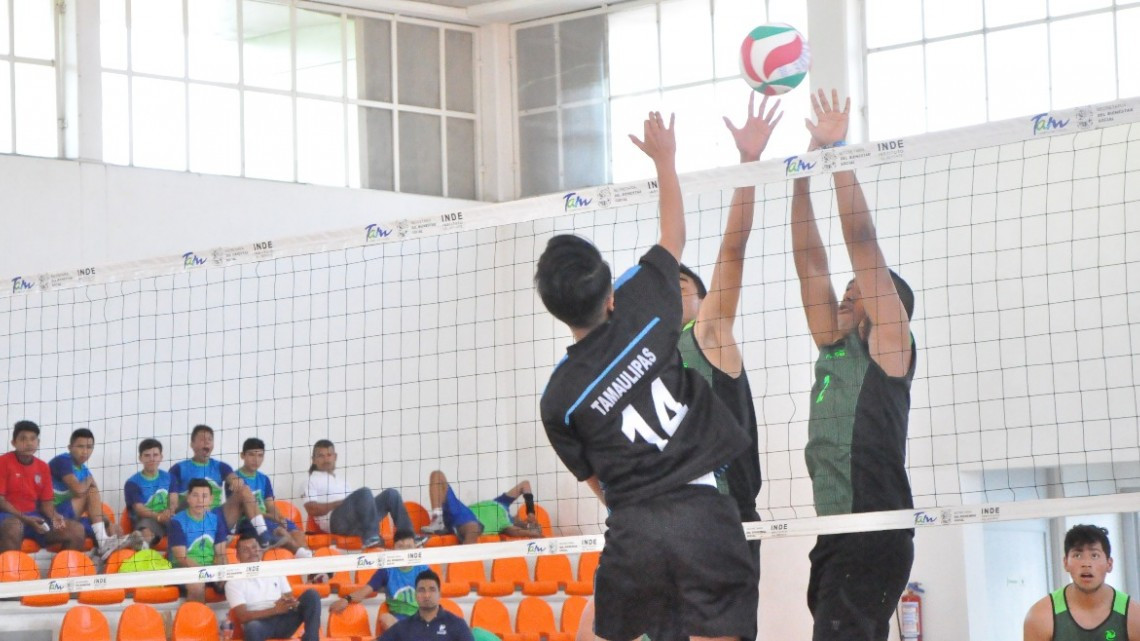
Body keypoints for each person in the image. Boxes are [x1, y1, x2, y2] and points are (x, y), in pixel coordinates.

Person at [536, 112, 756, 641]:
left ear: (556, 311)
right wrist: (665, 159)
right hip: (701, 507)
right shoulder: (646, 307)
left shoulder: (559, 399)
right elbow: (674, 231)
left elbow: (598, 483)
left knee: (606, 631)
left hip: (635, 527)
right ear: (611, 294)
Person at [790, 89, 917, 641]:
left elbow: (862, 244)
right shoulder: (832, 344)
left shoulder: (890, 346)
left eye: (858, 291)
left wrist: (839, 155)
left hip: (875, 526)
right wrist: (803, 169)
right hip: (834, 529)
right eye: (845, 290)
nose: (846, 294)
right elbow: (808, 259)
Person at [1024, 524, 1140, 641]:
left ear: (1109, 564)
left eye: (1094, 555)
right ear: (1065, 563)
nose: (1086, 564)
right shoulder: (1040, 616)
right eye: (1077, 555)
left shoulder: (1134, 615)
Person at [302, 439, 420, 549]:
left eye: (329, 455)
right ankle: (371, 537)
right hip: (336, 524)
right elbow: (311, 509)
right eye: (321, 456)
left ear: (335, 457)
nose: (326, 459)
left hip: (357, 523)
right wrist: (336, 504)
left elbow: (356, 505)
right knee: (364, 492)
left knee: (391, 494)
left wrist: (347, 503)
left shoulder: (342, 481)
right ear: (313, 459)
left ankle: (408, 536)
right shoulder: (310, 480)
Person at [49, 428, 142, 559]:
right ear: (70, 447)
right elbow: (79, 490)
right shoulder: (63, 461)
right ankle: (103, 542)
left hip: (70, 517)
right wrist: (90, 481)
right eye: (80, 446)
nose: (85, 451)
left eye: (89, 447)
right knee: (90, 490)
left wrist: (109, 524)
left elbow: (94, 505)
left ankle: (101, 554)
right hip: (52, 517)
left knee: (104, 526)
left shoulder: (85, 471)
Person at [169, 424, 267, 545]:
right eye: (202, 439)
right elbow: (172, 501)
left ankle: (264, 536)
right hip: (191, 516)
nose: (207, 442)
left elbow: (233, 478)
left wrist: (236, 481)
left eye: (210, 439)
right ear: (192, 444)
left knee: (244, 489)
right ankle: (222, 536)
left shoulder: (221, 467)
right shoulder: (178, 468)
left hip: (216, 517)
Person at [0, 420, 86, 553]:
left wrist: (55, 516)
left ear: (38, 443)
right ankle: (8, 572)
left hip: (34, 518)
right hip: (8, 517)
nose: (29, 443)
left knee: (76, 530)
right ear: (13, 443)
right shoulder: (3, 462)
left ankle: (63, 572)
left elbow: (47, 504)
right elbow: (1, 501)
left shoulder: (43, 467)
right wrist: (24, 518)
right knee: (14, 527)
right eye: (23, 438)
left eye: (33, 439)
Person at [226, 530, 322, 641]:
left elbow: (288, 596)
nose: (252, 552)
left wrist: (289, 602)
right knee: (252, 627)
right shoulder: (233, 582)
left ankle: (311, 639)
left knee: (312, 595)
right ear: (237, 556)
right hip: (261, 623)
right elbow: (243, 617)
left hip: (283, 620)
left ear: (260, 550)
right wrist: (275, 610)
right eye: (245, 550)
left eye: (254, 547)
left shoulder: (273, 569)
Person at [330, 529, 429, 631]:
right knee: (385, 618)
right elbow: (365, 591)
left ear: (415, 548)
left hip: (420, 619)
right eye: (400, 547)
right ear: (393, 548)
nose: (404, 551)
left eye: (409, 547)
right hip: (397, 622)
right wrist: (346, 600)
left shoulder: (423, 569)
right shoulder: (387, 570)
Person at [234, 437, 312, 556]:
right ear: (242, 455)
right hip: (248, 522)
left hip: (267, 519)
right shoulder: (235, 479)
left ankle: (311, 565)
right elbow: (244, 511)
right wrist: (271, 517)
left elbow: (269, 504)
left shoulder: (264, 479)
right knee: (281, 533)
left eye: (260, 455)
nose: (256, 459)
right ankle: (302, 556)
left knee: (297, 533)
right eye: (251, 455)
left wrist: (279, 517)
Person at [421, 471, 542, 543]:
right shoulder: (502, 502)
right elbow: (525, 484)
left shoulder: (506, 524)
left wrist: (534, 533)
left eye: (526, 524)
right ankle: (437, 518)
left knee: (472, 528)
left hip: (469, 524)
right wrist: (530, 512)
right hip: (460, 511)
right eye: (526, 522)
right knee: (437, 475)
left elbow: (516, 533)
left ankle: (464, 567)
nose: (523, 520)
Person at [168, 477, 229, 602]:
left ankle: (229, 621)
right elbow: (182, 559)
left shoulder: (216, 520)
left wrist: (222, 573)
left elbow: (221, 554)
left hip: (210, 570)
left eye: (204, 496)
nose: (200, 500)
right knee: (197, 586)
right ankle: (196, 620)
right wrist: (206, 574)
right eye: (195, 495)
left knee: (236, 581)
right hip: (183, 571)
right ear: (188, 498)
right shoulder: (176, 522)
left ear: (211, 499)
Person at [378, 569, 475, 641]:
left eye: (432, 589)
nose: (427, 595)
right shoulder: (403, 627)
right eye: (421, 590)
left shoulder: (456, 624)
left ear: (439, 594)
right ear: (415, 595)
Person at [124, 438, 174, 547]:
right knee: (145, 532)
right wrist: (159, 517)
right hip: (149, 520)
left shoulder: (169, 477)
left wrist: (169, 511)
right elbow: (140, 509)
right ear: (140, 458)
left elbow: (174, 499)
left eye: (155, 455)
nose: (151, 459)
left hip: (168, 516)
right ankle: (141, 548)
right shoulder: (132, 483)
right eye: (147, 455)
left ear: (161, 457)